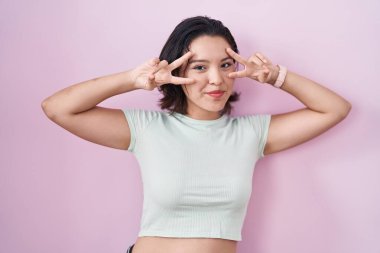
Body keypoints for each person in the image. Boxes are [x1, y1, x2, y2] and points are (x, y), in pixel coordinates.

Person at [41, 15, 351, 253]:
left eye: (226, 65)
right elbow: (57, 108)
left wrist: (276, 76)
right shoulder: (147, 128)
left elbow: (334, 109)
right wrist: (133, 79)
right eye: (200, 67)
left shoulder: (251, 134)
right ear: (178, 73)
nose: (217, 79)